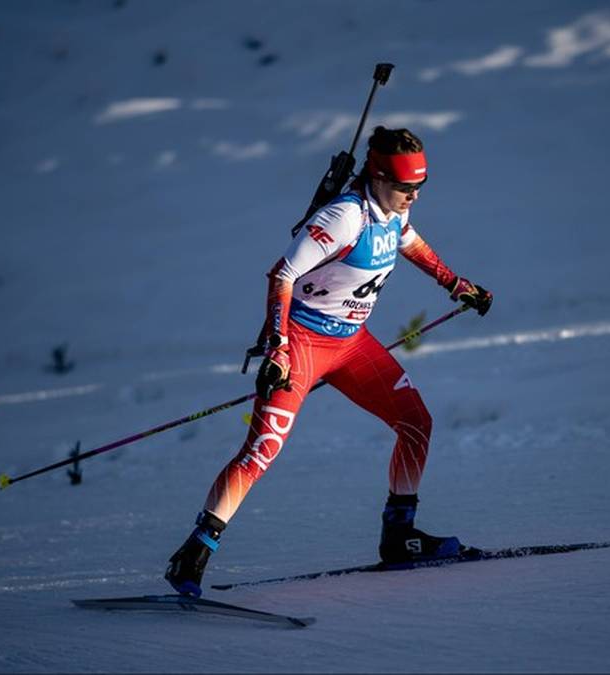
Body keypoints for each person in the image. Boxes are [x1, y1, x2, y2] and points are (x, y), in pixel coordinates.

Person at [165, 126, 493, 597]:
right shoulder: (344, 216)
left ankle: (399, 536)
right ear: (378, 177)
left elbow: (411, 243)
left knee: (416, 422)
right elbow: (283, 273)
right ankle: (193, 554)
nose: (413, 197)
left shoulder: (392, 213)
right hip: (301, 342)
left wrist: (454, 283)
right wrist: (277, 346)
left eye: (420, 188)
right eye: (405, 187)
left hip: (352, 344)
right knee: (263, 449)